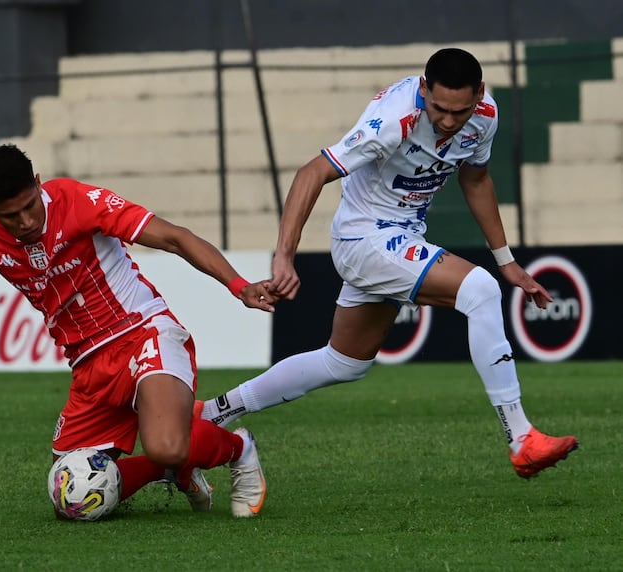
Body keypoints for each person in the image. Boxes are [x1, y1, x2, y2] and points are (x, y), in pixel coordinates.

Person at [198, 48, 578, 479]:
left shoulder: (485, 115)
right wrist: (284, 256)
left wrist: (506, 260)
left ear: (480, 95)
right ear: (422, 89)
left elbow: (476, 179)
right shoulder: (394, 121)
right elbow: (311, 173)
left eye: (461, 110)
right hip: (365, 238)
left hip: (400, 238)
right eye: (439, 109)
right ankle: (522, 437)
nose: (450, 121)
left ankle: (213, 412)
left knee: (343, 362)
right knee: (480, 290)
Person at [0, 143, 269, 518]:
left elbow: (174, 237)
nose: (26, 222)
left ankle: (238, 447)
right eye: (10, 216)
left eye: (30, 206)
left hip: (143, 331)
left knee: (165, 444)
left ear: (38, 183)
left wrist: (238, 285)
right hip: (88, 364)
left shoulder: (78, 201)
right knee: (70, 490)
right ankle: (168, 466)